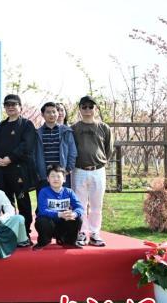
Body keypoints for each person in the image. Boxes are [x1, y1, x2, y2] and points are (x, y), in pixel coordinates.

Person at [0, 94, 38, 239]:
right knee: (6, 202)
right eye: (7, 105)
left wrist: (10, 158)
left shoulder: (26, 125)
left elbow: (27, 145)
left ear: (20, 107)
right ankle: (11, 231)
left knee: (23, 201)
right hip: (1, 171)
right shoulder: (1, 126)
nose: (10, 107)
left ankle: (25, 232)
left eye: (14, 104)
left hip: (19, 170)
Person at [71, 95, 113, 247]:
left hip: (98, 170)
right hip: (79, 170)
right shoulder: (74, 128)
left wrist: (100, 161)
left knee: (96, 204)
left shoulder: (104, 128)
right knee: (80, 204)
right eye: (84, 107)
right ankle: (82, 232)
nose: (87, 109)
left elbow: (108, 149)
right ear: (80, 109)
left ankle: (95, 233)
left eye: (91, 106)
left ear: (96, 108)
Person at [35, 165, 84, 250]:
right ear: (48, 179)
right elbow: (42, 210)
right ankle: (43, 242)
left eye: (58, 176)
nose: (56, 179)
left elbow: (79, 207)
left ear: (64, 179)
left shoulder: (69, 192)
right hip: (49, 224)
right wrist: (59, 214)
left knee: (77, 219)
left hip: (63, 224)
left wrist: (74, 214)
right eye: (52, 176)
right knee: (42, 220)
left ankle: (69, 241)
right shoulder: (44, 191)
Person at [35, 102, 77, 188]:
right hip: (44, 176)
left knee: (63, 196)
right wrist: (37, 172)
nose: (52, 114)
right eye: (48, 112)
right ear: (42, 114)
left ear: (57, 113)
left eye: (54, 112)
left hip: (62, 174)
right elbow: (33, 154)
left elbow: (73, 152)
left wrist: (68, 169)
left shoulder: (66, 131)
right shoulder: (37, 133)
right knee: (44, 196)